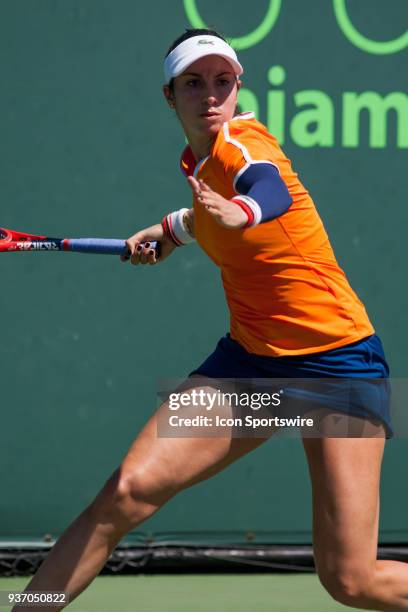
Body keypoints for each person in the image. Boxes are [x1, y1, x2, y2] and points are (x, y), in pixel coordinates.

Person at [15, 28, 408, 612]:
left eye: (223, 80)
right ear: (169, 97)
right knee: (125, 494)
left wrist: (243, 209)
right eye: (193, 83)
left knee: (352, 581)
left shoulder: (244, 146)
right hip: (252, 368)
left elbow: (263, 190)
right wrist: (172, 231)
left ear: (238, 86)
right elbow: (211, 211)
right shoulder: (198, 162)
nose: (211, 94)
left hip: (337, 368)